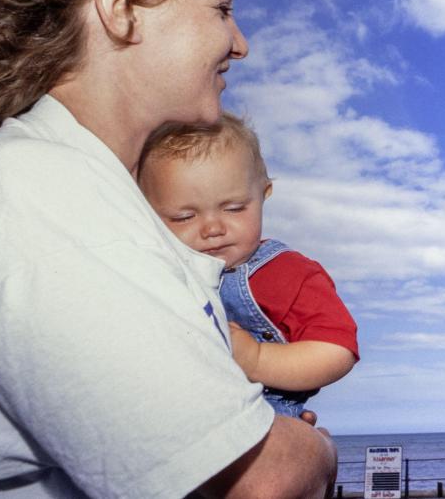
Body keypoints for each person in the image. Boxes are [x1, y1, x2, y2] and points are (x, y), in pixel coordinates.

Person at [0, 0, 335, 497]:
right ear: (123, 8)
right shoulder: (45, 194)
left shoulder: (78, 187)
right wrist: (313, 450)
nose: (241, 43)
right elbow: (258, 485)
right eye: (221, 9)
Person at [138, 112, 359, 418]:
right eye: (184, 217)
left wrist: (257, 359)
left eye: (234, 208)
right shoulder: (154, 271)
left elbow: (336, 350)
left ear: (263, 194)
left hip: (262, 426)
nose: (212, 228)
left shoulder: (288, 273)